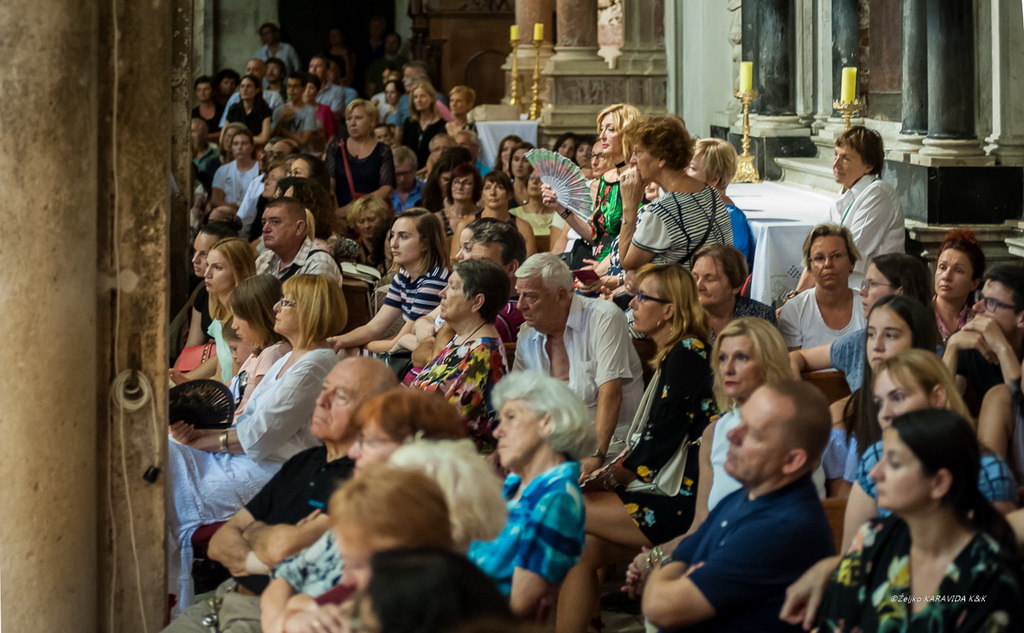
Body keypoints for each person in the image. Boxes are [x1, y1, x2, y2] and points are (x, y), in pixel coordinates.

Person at [161, 358, 397, 632]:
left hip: (271, 613)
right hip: (225, 598)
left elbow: (284, 549)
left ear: (372, 413)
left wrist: (254, 535)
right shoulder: (304, 461)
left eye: (341, 396)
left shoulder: (363, 479)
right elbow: (220, 544)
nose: (321, 401)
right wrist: (265, 548)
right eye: (325, 389)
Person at [166, 274, 347, 609]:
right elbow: (249, 420)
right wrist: (202, 436)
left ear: (309, 311)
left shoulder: (316, 364)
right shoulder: (288, 357)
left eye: (286, 302)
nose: (276, 307)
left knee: (167, 464)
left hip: (270, 470)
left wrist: (206, 442)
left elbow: (262, 436)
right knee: (165, 447)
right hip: (246, 456)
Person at [557, 264, 719, 633]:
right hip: (663, 489)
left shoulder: (687, 352)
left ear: (669, 310)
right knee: (583, 548)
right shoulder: (679, 351)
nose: (632, 303)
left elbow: (660, 440)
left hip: (681, 499)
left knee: (562, 507)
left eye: (643, 297)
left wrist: (609, 477)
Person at [787, 410, 1023, 633]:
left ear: (939, 482)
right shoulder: (871, 538)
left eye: (894, 462)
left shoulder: (990, 574)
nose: (874, 473)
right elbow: (835, 624)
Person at [261, 389, 470, 631]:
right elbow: (285, 575)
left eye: (367, 441)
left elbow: (348, 606)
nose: (353, 452)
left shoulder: (424, 538)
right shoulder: (366, 508)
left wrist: (297, 608)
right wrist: (286, 619)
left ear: (414, 450)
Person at [622, 317, 794, 602]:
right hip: (718, 553)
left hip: (765, 560)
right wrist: (653, 558)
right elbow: (700, 525)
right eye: (722, 358)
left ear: (767, 363)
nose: (728, 367)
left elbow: (768, 525)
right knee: (655, 586)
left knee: (663, 600)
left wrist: (665, 564)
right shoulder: (715, 432)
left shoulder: (786, 425)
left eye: (741, 357)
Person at [642, 381, 835, 632]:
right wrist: (674, 568)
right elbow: (683, 555)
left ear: (791, 461)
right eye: (740, 421)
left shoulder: (780, 528)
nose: (731, 435)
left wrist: (663, 572)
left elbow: (661, 608)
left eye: (752, 433)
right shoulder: (744, 496)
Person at [841, 349, 1017, 552]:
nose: (884, 414)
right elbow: (849, 557)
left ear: (937, 397)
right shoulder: (876, 457)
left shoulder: (986, 469)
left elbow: (992, 558)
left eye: (898, 397)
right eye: (879, 403)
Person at [467, 371, 597, 619]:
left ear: (546, 422)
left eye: (511, 418)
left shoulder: (556, 499)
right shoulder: (515, 484)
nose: (497, 432)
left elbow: (520, 608)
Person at [513, 253, 644, 478]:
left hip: (611, 448)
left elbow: (611, 393)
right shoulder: (527, 334)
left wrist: (595, 454)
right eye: (519, 295)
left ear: (561, 295)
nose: (520, 305)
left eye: (530, 297)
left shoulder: (603, 317)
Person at [824, 295, 940, 497]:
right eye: (870, 334)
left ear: (917, 342)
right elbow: (841, 502)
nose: (876, 345)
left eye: (890, 335)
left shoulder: (937, 406)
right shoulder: (844, 412)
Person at [790, 253, 933, 392]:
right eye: (872, 335)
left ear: (900, 292)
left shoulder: (935, 357)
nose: (862, 291)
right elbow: (796, 357)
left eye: (872, 284)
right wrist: (796, 393)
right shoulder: (858, 342)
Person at [410, 259, 510, 451]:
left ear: (477, 302)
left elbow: (449, 425)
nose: (442, 293)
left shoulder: (482, 353)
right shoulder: (462, 338)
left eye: (452, 287)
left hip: (445, 456)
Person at [615, 115, 733, 272]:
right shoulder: (710, 192)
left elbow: (627, 263)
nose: (632, 160)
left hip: (681, 286)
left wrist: (629, 206)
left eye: (638, 152)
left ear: (661, 158)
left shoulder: (662, 211)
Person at [329, 209, 450, 355]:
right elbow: (373, 328)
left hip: (420, 356)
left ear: (425, 243)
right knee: (339, 350)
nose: (394, 244)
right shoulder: (403, 276)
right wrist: (337, 341)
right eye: (393, 236)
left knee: (345, 353)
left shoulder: (434, 282)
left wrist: (359, 346)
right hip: (403, 349)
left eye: (403, 237)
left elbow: (398, 343)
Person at [826, 126, 904, 289]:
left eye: (845, 158)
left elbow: (849, 254)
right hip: (843, 284)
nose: (836, 164)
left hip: (871, 289)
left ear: (868, 166)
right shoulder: (844, 195)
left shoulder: (878, 193)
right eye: (836, 155)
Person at [944, 265, 1024, 403]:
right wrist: (951, 347)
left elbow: (1020, 410)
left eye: (991, 303)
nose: (976, 307)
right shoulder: (968, 340)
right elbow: (942, 405)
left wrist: (1002, 348)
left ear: (1021, 318)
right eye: (980, 297)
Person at [779, 224, 866, 350]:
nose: (828, 264)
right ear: (810, 267)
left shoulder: (868, 305)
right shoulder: (795, 309)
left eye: (836, 256)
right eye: (819, 258)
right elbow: (792, 361)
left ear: (851, 262)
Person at [227, 274, 291, 413]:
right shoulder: (258, 353)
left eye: (239, 316)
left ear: (259, 317)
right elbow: (233, 385)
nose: (234, 325)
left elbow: (256, 412)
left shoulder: (272, 354)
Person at [688, 138, 754, 267]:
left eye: (692, 168)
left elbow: (722, 269)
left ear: (714, 179)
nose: (684, 172)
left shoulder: (728, 217)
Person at [324, 99, 395, 213]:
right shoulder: (335, 148)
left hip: (372, 214)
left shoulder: (383, 150)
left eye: (358, 118)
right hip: (340, 215)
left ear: (372, 121)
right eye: (349, 119)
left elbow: (386, 188)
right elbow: (329, 186)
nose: (352, 123)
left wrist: (352, 208)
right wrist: (336, 212)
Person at [691, 244, 776, 339]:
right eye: (695, 277)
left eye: (710, 279)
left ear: (736, 285)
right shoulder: (683, 318)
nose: (698, 286)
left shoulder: (761, 316)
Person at [255, 197, 344, 287]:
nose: (265, 229)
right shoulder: (264, 258)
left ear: (299, 228)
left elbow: (312, 297)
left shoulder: (318, 262)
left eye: (275, 222)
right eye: (264, 223)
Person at [203, 237, 257, 383]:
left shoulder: (245, 320)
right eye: (207, 265)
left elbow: (237, 383)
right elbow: (219, 376)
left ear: (241, 271)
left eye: (217, 267)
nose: (207, 274)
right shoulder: (220, 318)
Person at [467, 170, 536, 256]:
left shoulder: (524, 228)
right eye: (488, 187)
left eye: (500, 187)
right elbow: (455, 260)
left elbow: (531, 262)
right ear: (482, 194)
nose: (492, 193)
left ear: (510, 194)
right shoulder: (466, 224)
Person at [934, 229, 985, 343]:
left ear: (974, 283)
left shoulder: (979, 323)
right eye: (942, 267)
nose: (946, 276)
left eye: (958, 270)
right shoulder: (918, 316)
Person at [219, 60, 286, 129]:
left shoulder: (274, 97)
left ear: (264, 73)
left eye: (255, 70)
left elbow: (279, 125)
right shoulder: (235, 97)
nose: (251, 73)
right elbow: (224, 126)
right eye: (248, 70)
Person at [211, 128, 261, 213]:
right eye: (236, 144)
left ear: (252, 147)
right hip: (230, 214)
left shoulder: (260, 168)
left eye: (244, 143)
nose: (239, 147)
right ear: (231, 147)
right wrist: (231, 207)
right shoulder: (222, 171)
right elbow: (215, 200)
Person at [402, 81, 447, 167]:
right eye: (415, 97)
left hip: (432, 168)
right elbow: (404, 148)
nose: (418, 100)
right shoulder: (409, 122)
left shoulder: (441, 124)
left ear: (432, 98)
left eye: (422, 96)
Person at [271, 73, 319, 153]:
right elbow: (272, 138)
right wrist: (281, 120)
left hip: (301, 154)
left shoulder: (310, 111)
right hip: (280, 153)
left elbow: (304, 141)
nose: (291, 90)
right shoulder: (278, 110)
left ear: (303, 88)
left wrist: (283, 130)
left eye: (295, 86)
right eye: (289, 86)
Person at [225, 74, 273, 147]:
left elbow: (264, 139)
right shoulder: (234, 109)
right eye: (242, 86)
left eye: (248, 86)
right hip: (233, 148)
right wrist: (255, 138)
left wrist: (236, 140)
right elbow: (224, 135)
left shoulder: (264, 110)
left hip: (255, 148)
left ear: (257, 90)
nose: (244, 90)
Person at [436, 163, 481, 239]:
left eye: (466, 183)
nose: (460, 187)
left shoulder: (483, 216)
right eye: (456, 182)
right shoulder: (438, 218)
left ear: (475, 187)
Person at [347, 195, 392, 272]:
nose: (367, 226)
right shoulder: (351, 250)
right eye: (361, 221)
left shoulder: (392, 245)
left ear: (383, 218)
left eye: (371, 220)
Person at [308, 55, 347, 130]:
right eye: (311, 66)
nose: (313, 70)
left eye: (318, 66)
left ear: (327, 71)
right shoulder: (302, 89)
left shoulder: (337, 90)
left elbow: (335, 117)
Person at [365, 32, 408, 97]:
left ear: (399, 45)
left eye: (394, 42)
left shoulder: (405, 63)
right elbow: (370, 88)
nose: (390, 45)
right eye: (388, 42)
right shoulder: (376, 64)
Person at [191, 117, 221, 193]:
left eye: (193, 131)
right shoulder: (185, 155)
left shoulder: (216, 153)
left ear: (204, 134)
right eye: (189, 132)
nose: (190, 135)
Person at [389, 145, 423, 211]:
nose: (402, 179)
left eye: (406, 173)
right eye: (397, 174)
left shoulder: (427, 191)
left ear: (414, 169)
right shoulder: (383, 194)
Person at [193, 75, 224, 141]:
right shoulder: (193, 113)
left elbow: (225, 131)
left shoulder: (222, 110)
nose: (202, 93)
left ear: (213, 91)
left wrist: (205, 137)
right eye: (199, 90)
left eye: (206, 89)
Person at [508, 141, 535, 208]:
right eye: (516, 159)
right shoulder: (504, 190)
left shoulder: (538, 191)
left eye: (525, 160)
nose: (519, 165)